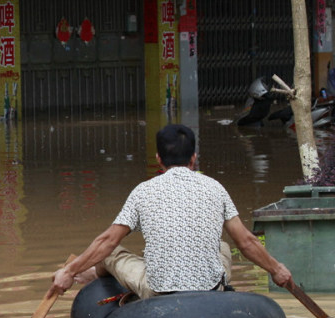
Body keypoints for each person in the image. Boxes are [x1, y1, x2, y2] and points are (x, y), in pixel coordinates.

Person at [50, 123, 292, 301]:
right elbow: (247, 242)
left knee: (109, 253)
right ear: (194, 158)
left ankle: (94, 274)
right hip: (211, 291)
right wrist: (276, 270)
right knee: (224, 246)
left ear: (158, 159)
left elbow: (108, 241)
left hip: (158, 291)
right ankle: (94, 274)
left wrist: (69, 271)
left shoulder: (143, 191)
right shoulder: (215, 188)